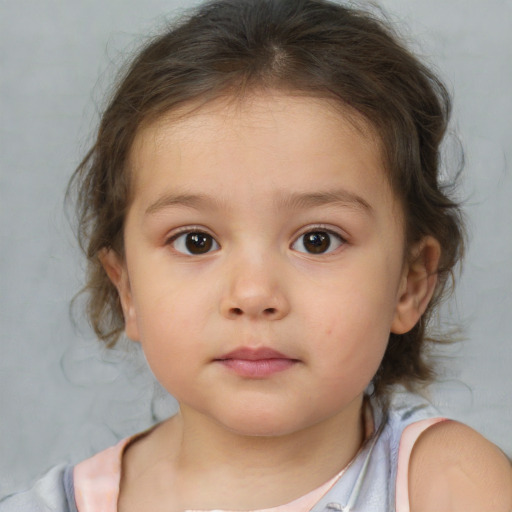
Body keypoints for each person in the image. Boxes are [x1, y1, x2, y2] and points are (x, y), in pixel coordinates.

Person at [1, 0, 511, 510]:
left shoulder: (449, 485)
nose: (253, 294)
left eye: (318, 239)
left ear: (411, 282)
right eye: (196, 240)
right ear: (127, 287)